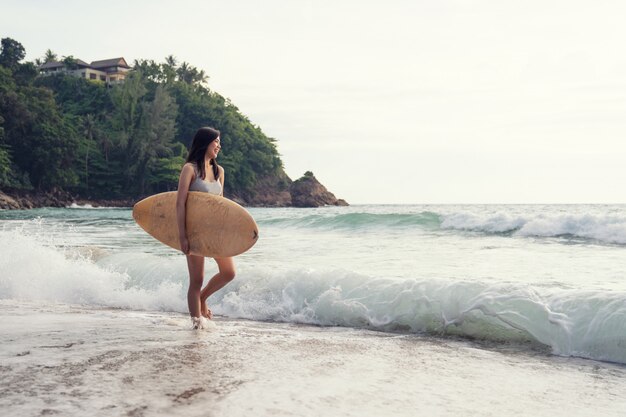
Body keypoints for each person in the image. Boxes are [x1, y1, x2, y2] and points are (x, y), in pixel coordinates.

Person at [176, 127, 236, 329]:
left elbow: (221, 206)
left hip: (215, 232)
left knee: (229, 272)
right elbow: (180, 203)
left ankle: (202, 298)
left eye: (219, 142)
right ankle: (196, 326)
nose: (219, 145)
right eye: (216, 141)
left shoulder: (220, 171)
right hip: (195, 232)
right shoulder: (190, 169)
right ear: (205, 142)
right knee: (197, 279)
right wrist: (183, 236)